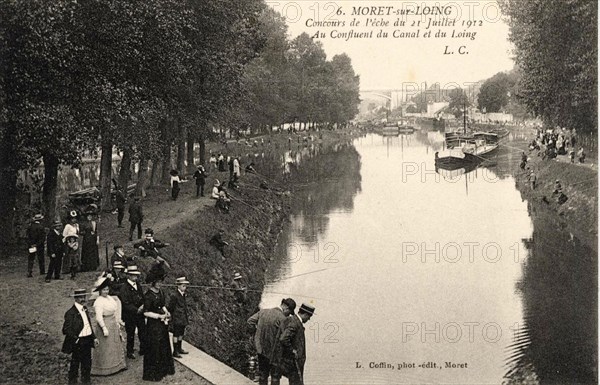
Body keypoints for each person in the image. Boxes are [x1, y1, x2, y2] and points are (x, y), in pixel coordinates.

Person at [247, 298, 297, 385]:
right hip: (275, 353)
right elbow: (284, 338)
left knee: (262, 374)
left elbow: (250, 321)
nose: (288, 315)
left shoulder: (263, 312)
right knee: (275, 377)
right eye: (289, 313)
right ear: (286, 308)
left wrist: (256, 334)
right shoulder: (283, 319)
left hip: (260, 349)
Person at [142, 265, 175, 381]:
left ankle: (164, 369)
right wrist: (159, 316)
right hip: (153, 325)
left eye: (161, 281)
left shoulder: (160, 292)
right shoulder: (148, 295)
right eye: (157, 282)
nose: (160, 284)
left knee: (163, 345)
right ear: (153, 282)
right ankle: (154, 373)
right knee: (154, 347)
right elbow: (145, 313)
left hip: (162, 324)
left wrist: (167, 312)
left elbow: (162, 305)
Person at [272, 304, 316, 385]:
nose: (309, 319)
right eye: (309, 317)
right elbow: (284, 339)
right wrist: (292, 350)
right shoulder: (295, 323)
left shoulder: (289, 319)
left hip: (284, 361)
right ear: (305, 314)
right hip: (292, 363)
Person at [61, 289, 99, 384]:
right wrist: (76, 339)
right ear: (76, 298)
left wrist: (94, 337)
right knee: (75, 363)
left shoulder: (85, 309)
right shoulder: (70, 313)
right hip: (78, 342)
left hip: (87, 340)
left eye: (84, 297)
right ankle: (72, 381)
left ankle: (86, 380)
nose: (83, 299)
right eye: (80, 297)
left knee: (87, 362)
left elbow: (88, 324)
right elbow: (66, 329)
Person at [91, 278, 127, 376]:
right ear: (100, 291)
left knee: (114, 344)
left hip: (112, 323)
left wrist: (117, 324)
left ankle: (117, 365)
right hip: (105, 323)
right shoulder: (99, 301)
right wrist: (103, 328)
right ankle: (104, 368)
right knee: (106, 346)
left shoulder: (110, 298)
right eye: (104, 290)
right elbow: (98, 317)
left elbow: (115, 311)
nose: (106, 291)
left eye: (107, 289)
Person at [118, 265, 146, 359]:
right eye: (133, 275)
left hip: (140, 313)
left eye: (136, 275)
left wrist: (143, 306)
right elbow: (125, 303)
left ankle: (143, 349)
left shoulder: (138, 285)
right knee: (130, 333)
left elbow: (142, 296)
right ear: (129, 276)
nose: (135, 277)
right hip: (130, 314)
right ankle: (130, 351)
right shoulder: (124, 287)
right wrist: (136, 309)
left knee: (142, 331)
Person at [167, 277, 190, 358]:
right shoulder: (174, 295)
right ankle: (175, 351)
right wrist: (173, 316)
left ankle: (179, 348)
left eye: (185, 286)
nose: (185, 287)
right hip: (177, 318)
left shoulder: (183, 294)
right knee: (176, 334)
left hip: (183, 317)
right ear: (178, 286)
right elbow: (170, 307)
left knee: (181, 333)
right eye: (183, 286)